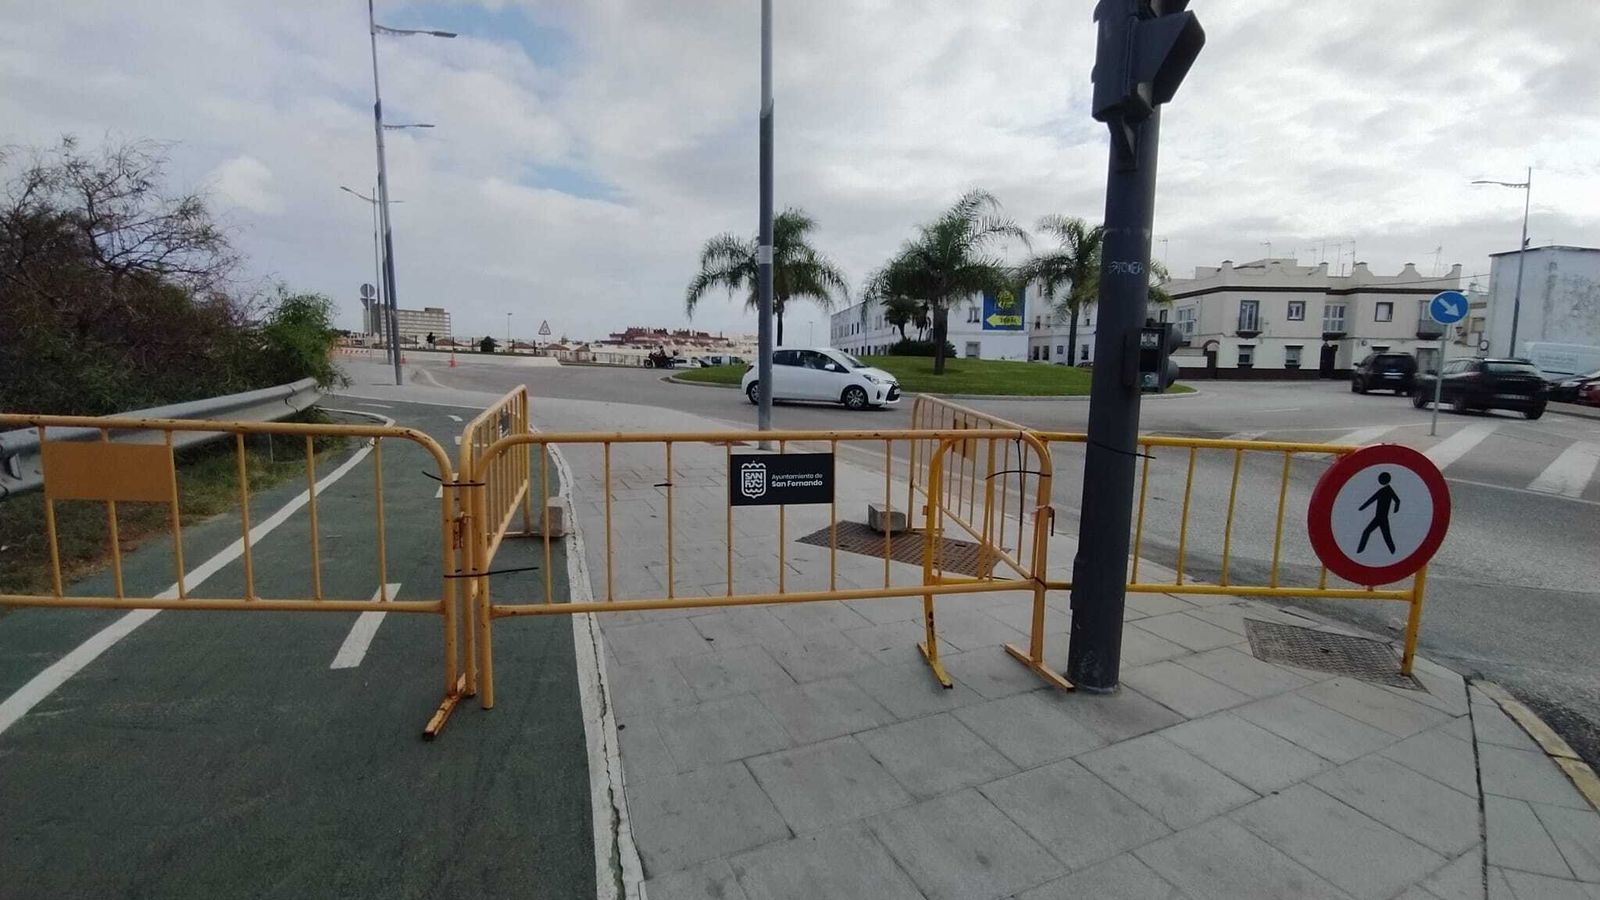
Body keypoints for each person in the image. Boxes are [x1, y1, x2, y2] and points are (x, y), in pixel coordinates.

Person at [1357, 472, 1400, 554]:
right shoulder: (1389, 490)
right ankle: (1360, 551)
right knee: (1383, 535)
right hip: (1380, 517)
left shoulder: (1383, 490)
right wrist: (1395, 509)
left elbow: (1371, 500)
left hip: (1381, 518)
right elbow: (1397, 501)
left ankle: (1394, 552)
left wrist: (1361, 508)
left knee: (1383, 535)